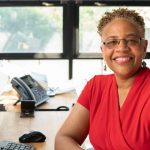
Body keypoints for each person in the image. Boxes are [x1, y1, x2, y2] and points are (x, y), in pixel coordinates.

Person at [55, 8, 150, 150]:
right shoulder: (96, 86)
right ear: (103, 50)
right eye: (112, 42)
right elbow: (64, 138)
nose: (122, 48)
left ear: (144, 47)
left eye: (131, 40)